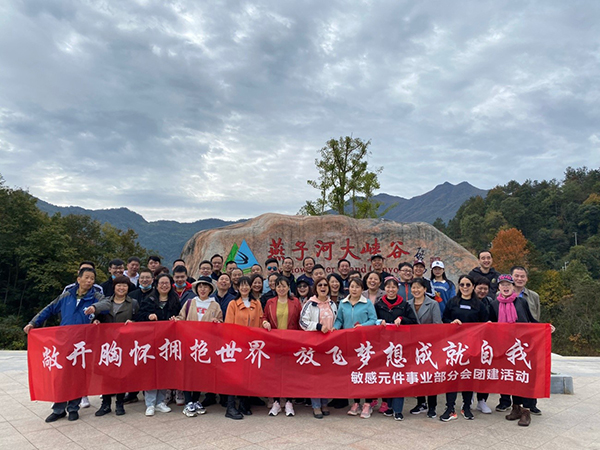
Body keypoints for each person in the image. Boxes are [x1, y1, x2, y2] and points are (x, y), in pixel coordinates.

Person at [23, 267, 112, 423]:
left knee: (78, 376)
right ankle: (58, 409)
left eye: (92, 279)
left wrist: (95, 307)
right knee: (61, 376)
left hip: (82, 344)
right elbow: (49, 309)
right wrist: (33, 323)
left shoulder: (95, 296)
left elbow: (107, 304)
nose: (89, 281)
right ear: (78, 279)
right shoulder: (66, 296)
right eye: (86, 277)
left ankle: (73, 408)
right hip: (64, 342)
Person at [489, 274, 539, 426]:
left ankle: (526, 411)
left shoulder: (521, 302)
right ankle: (515, 407)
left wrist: (544, 328)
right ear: (499, 287)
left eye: (508, 284)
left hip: (523, 347)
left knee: (524, 378)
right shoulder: (494, 304)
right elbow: (490, 324)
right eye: (502, 285)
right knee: (512, 378)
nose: (505, 287)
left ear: (513, 287)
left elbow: (531, 320)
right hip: (505, 348)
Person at [440, 274, 489, 422]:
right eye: (462, 285)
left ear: (473, 287)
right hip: (454, 346)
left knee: (468, 376)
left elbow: (485, 323)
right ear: (459, 286)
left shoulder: (479, 305)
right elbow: (444, 318)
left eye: (468, 285)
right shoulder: (452, 302)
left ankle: (466, 407)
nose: (465, 287)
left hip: (472, 345)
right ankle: (450, 408)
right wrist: (452, 322)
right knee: (452, 376)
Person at [93, 275, 139, 417]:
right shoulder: (105, 302)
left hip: (123, 344)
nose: (121, 288)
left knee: (121, 375)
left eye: (124, 285)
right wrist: (95, 321)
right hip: (106, 343)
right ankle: (105, 404)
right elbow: (97, 317)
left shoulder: (133, 303)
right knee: (106, 374)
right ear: (114, 287)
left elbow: (139, 320)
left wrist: (133, 323)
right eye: (119, 285)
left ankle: (119, 403)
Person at [177, 276, 223, 417]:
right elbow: (181, 318)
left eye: (206, 287)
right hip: (189, 343)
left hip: (205, 345)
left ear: (210, 289)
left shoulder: (215, 305)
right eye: (200, 286)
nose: (203, 289)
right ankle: (188, 401)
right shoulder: (190, 302)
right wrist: (175, 320)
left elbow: (221, 322)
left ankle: (196, 400)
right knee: (188, 373)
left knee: (200, 374)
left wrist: (217, 322)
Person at [336, 278, 381, 419]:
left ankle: (367, 403)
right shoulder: (343, 303)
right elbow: (339, 320)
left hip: (364, 344)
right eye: (352, 286)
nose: (354, 289)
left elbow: (373, 320)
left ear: (362, 289)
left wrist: (363, 326)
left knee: (366, 373)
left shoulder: (367, 303)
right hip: (349, 343)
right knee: (354, 373)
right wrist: (334, 328)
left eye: (357, 287)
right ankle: (356, 402)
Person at [374, 276, 419, 419]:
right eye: (388, 287)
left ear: (397, 289)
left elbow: (414, 322)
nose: (391, 289)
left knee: (399, 377)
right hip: (384, 347)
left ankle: (398, 410)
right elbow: (373, 322)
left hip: (401, 346)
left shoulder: (404, 305)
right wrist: (379, 322)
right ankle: (389, 406)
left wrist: (402, 319)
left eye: (393, 287)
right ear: (384, 288)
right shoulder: (379, 305)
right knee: (387, 376)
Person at [136, 273, 180, 416]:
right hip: (151, 341)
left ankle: (161, 401)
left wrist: (175, 319)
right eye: (161, 283)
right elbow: (139, 316)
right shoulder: (149, 299)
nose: (164, 286)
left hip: (167, 342)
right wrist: (148, 316)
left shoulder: (175, 300)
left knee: (164, 372)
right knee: (150, 372)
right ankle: (150, 403)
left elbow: (180, 317)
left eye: (167, 283)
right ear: (156, 284)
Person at [224, 276, 264, 419]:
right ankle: (230, 407)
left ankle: (243, 404)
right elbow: (228, 325)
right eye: (242, 285)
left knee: (247, 375)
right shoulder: (233, 304)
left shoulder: (256, 303)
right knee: (234, 376)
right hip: (236, 345)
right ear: (238, 287)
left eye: (247, 285)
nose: (245, 288)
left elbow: (260, 321)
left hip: (251, 346)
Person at [262, 276, 302, 417]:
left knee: (290, 373)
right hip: (275, 342)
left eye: (284, 286)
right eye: (278, 286)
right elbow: (264, 317)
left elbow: (300, 320)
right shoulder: (270, 302)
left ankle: (289, 402)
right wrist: (265, 323)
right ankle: (276, 402)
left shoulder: (295, 302)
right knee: (276, 373)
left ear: (288, 287)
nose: (281, 288)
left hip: (291, 341)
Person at [299, 277, 337, 419]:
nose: (323, 287)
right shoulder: (310, 304)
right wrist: (318, 326)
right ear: (315, 288)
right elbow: (302, 322)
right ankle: (316, 405)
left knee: (327, 376)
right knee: (315, 376)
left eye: (325, 285)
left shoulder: (332, 304)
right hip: (314, 344)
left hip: (329, 345)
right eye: (320, 285)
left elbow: (336, 319)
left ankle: (324, 403)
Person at [406, 277, 442, 418]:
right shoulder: (408, 304)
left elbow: (437, 325)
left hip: (429, 346)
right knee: (418, 375)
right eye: (413, 287)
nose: (416, 290)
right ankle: (421, 403)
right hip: (413, 345)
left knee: (430, 376)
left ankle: (432, 406)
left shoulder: (433, 304)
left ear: (425, 289)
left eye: (419, 287)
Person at [510, 265, 543, 416]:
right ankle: (515, 405)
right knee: (514, 373)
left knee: (529, 372)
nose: (519, 279)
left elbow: (536, 317)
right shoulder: (502, 294)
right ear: (511, 277)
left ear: (527, 278)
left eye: (522, 276)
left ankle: (530, 405)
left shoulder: (533, 296)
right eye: (516, 276)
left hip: (529, 340)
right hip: (511, 342)